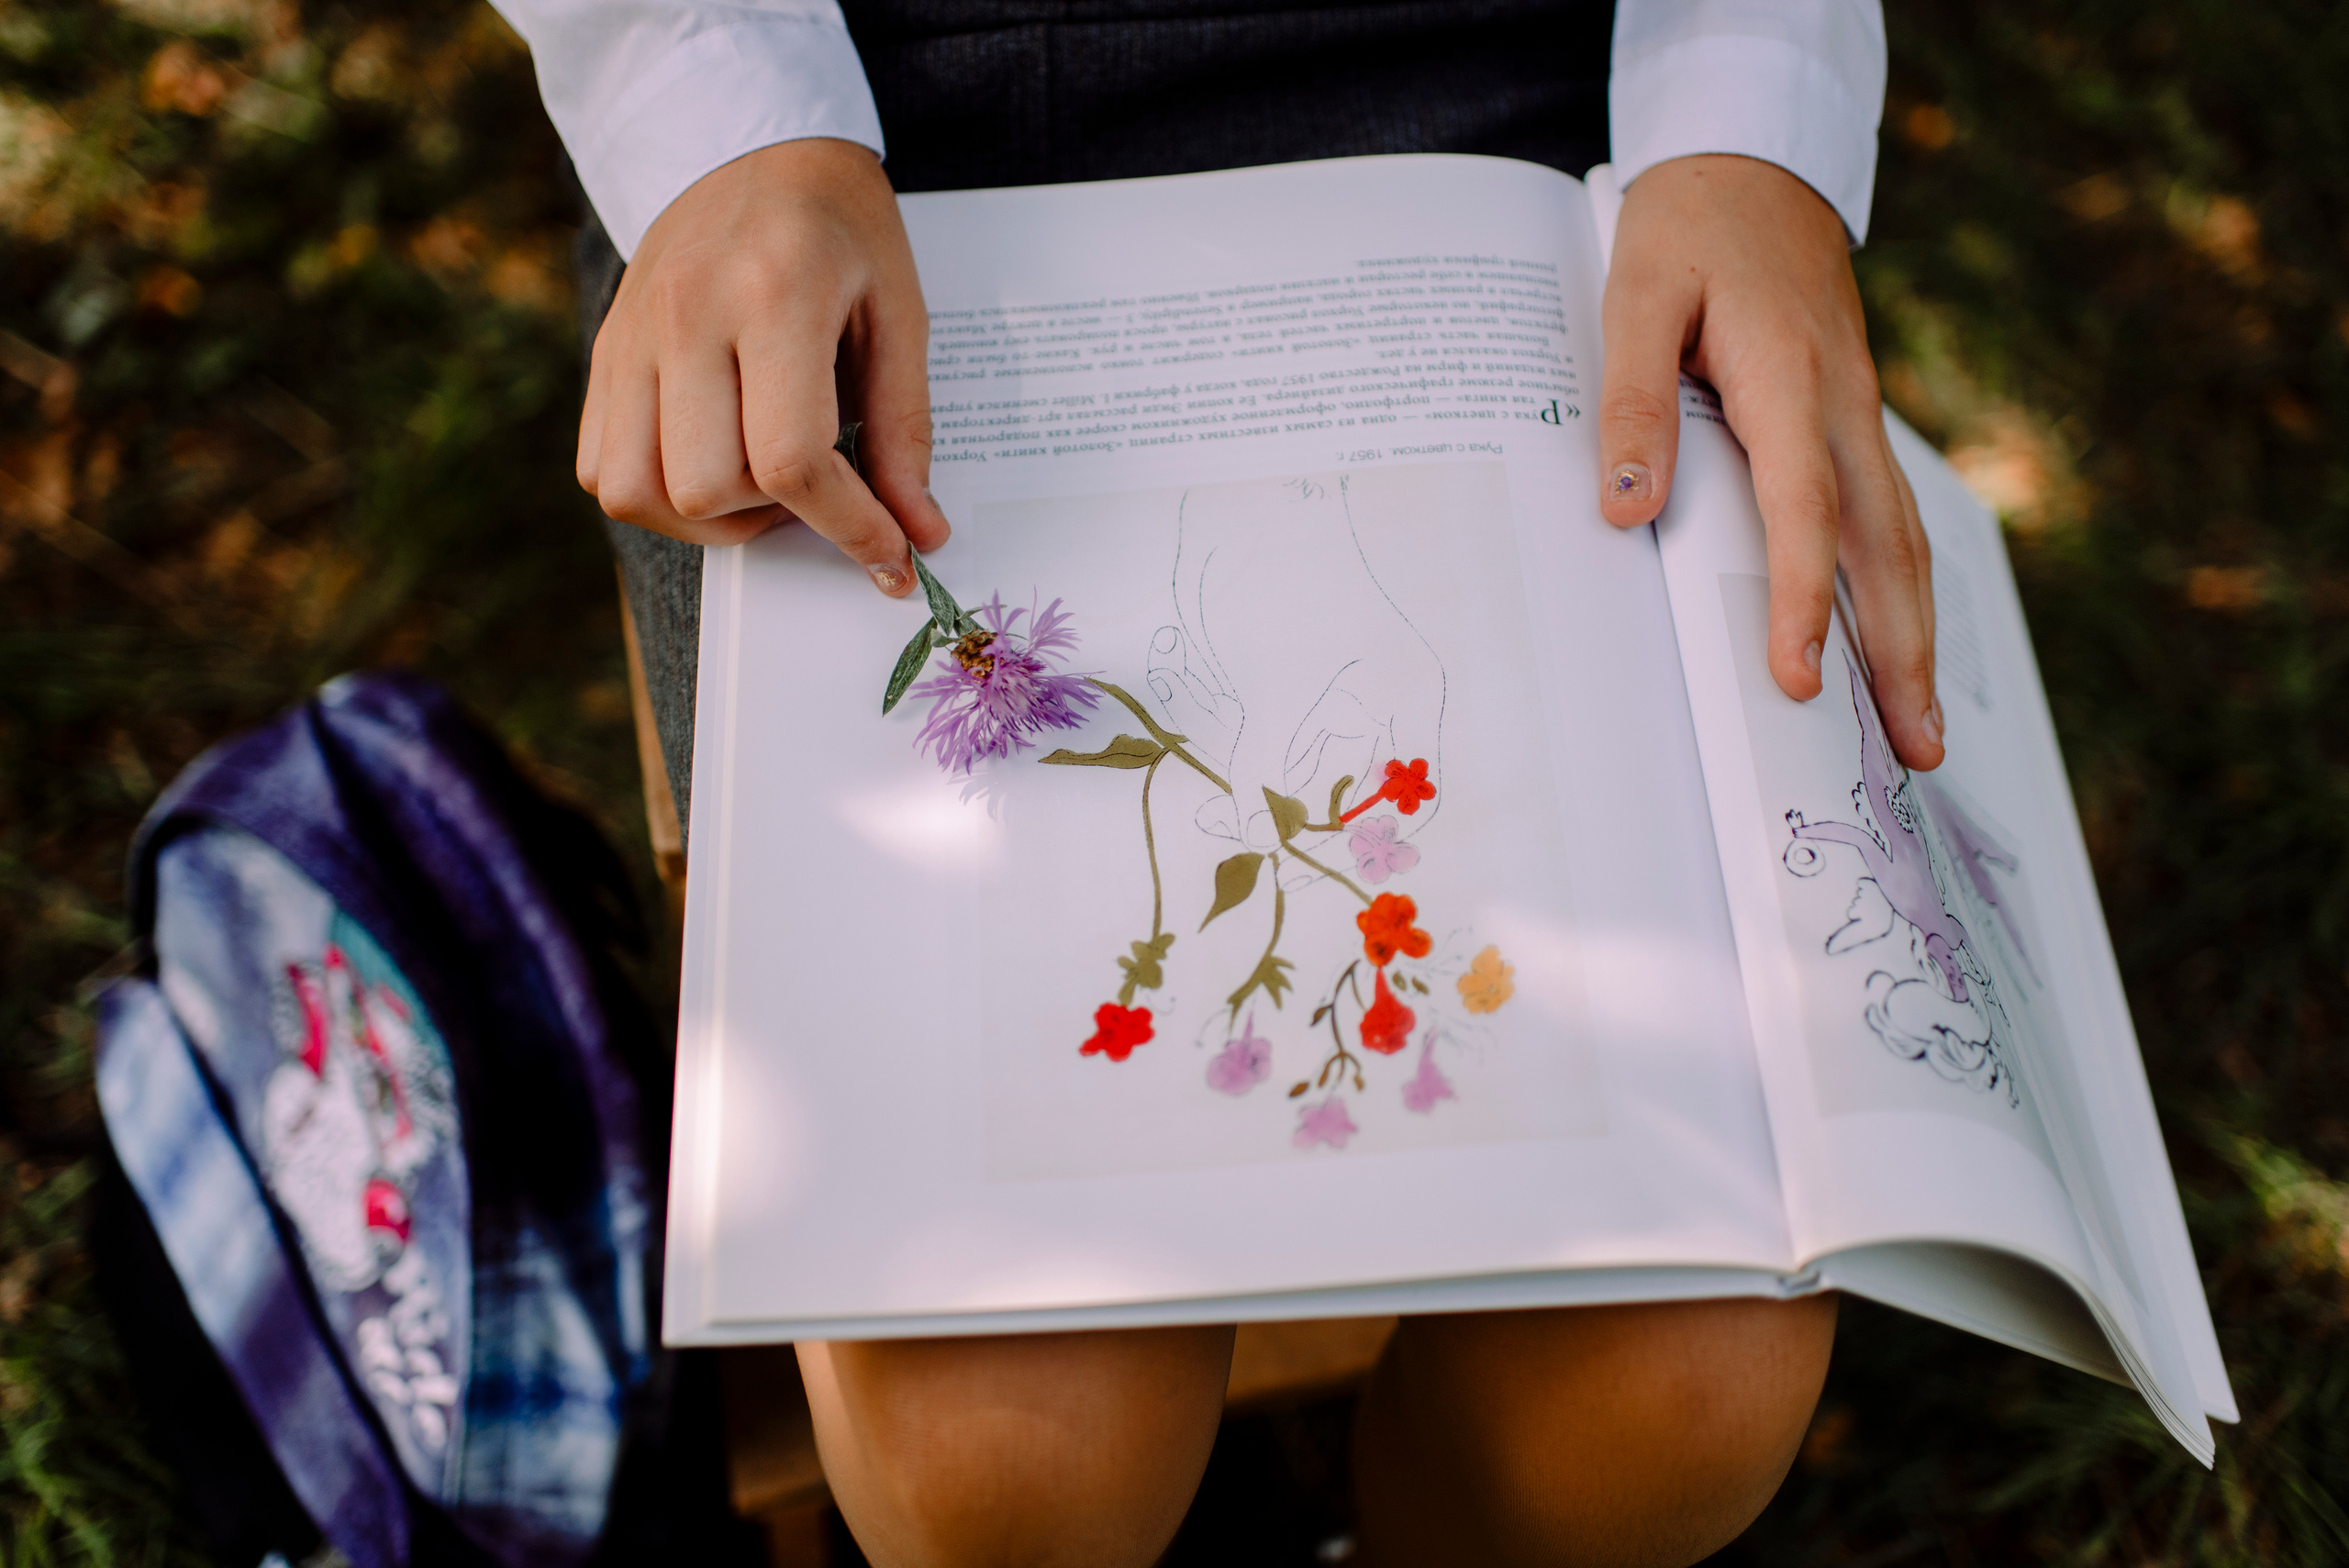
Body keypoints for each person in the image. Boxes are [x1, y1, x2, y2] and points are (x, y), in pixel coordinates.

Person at [492, 4, 1938, 1562]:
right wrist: (709, 110)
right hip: (865, 148)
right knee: (1002, 1460)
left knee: (1684, 1385)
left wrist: (1749, 125)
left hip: (1540, 134)